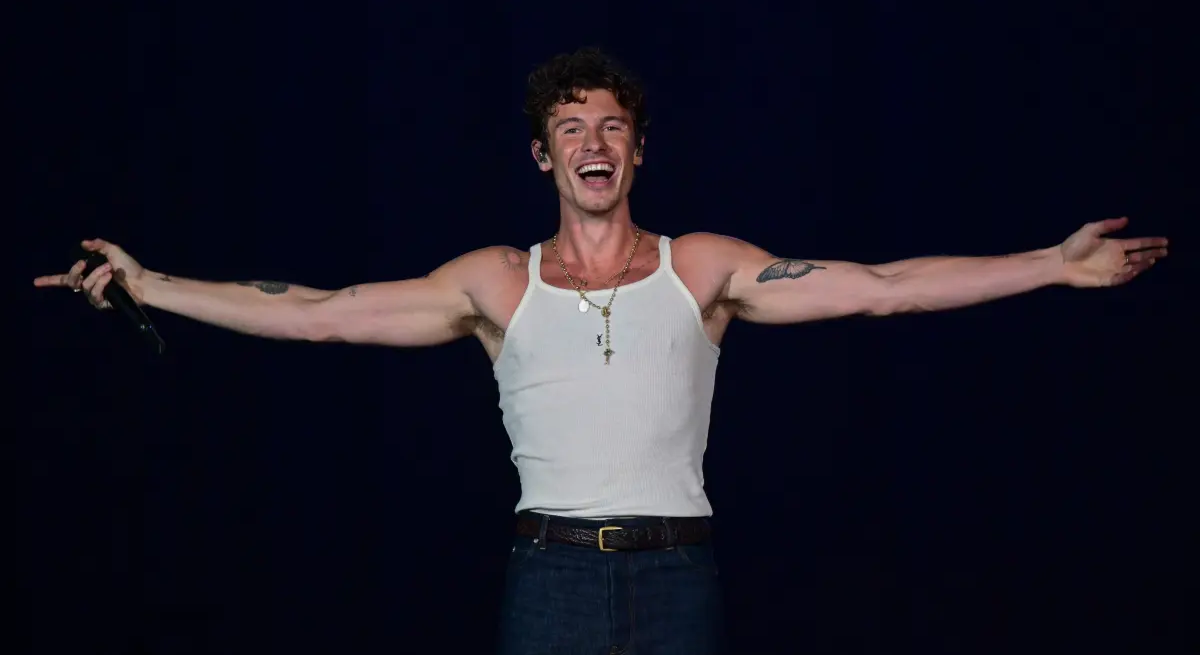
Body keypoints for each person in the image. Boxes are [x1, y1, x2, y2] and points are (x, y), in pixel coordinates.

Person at [34, 47, 1168, 654]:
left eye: (611, 124)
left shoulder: (705, 266)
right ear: (544, 156)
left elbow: (881, 291)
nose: (593, 140)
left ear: (636, 152)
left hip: (682, 578)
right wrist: (153, 284)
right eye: (571, 126)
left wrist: (1051, 265)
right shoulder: (496, 282)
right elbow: (321, 308)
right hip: (552, 582)